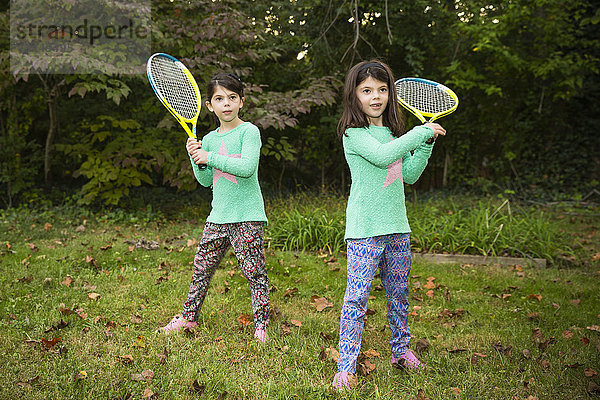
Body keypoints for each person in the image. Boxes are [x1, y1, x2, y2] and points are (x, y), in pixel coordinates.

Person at [332, 60, 446, 390]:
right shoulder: (354, 135)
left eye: (382, 90)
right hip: (365, 230)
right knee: (356, 298)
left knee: (399, 294)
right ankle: (346, 365)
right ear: (354, 95)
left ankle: (401, 351)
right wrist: (420, 132)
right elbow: (383, 156)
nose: (376, 96)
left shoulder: (394, 134)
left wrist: (425, 144)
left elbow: (407, 175)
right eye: (367, 90)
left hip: (397, 228)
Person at [158, 73, 270, 343]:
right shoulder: (207, 139)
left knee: (254, 272)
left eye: (232, 98)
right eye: (219, 99)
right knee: (201, 270)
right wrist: (196, 157)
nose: (227, 104)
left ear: (242, 101)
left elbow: (246, 168)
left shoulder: (249, 132)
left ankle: (262, 326)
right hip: (218, 217)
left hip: (247, 216)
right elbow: (206, 180)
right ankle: (188, 317)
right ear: (209, 106)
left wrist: (210, 156)